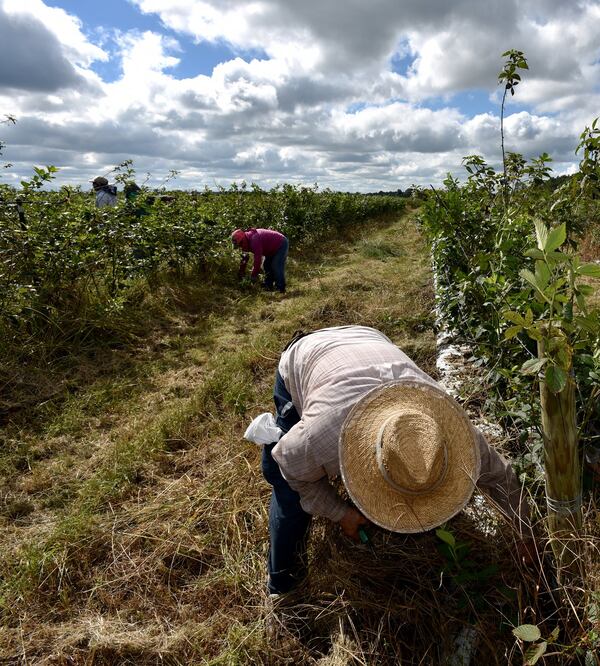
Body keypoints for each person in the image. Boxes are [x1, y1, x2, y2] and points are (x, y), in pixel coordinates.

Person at [258, 325, 535, 598]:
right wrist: (341, 513)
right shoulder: (320, 439)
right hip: (305, 356)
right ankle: (282, 585)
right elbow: (291, 470)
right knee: (286, 493)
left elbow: (500, 477)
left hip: (368, 337)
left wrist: (526, 534)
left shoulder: (452, 429)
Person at [231, 228, 288, 293]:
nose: (240, 246)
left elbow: (257, 260)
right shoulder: (246, 241)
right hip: (270, 249)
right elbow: (244, 259)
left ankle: (281, 288)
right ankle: (268, 285)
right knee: (266, 265)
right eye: (239, 245)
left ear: (243, 239)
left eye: (240, 244)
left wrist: (254, 276)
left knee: (276, 265)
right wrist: (241, 272)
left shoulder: (254, 240)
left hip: (281, 243)